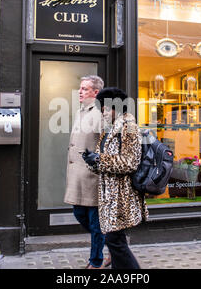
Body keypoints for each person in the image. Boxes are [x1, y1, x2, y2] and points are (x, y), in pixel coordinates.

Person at [82, 87, 149, 269]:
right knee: (115, 242)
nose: (102, 113)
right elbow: (105, 163)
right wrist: (93, 161)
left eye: (104, 109)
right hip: (109, 197)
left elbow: (130, 162)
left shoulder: (129, 127)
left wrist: (100, 159)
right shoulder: (110, 130)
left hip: (122, 197)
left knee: (116, 242)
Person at [63, 75, 109, 269]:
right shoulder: (83, 111)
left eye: (84, 89)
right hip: (78, 175)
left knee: (95, 221)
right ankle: (112, 247)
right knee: (79, 213)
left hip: (93, 176)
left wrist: (99, 162)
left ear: (95, 92)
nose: (80, 92)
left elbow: (109, 142)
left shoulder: (100, 114)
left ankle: (96, 262)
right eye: (80, 88)